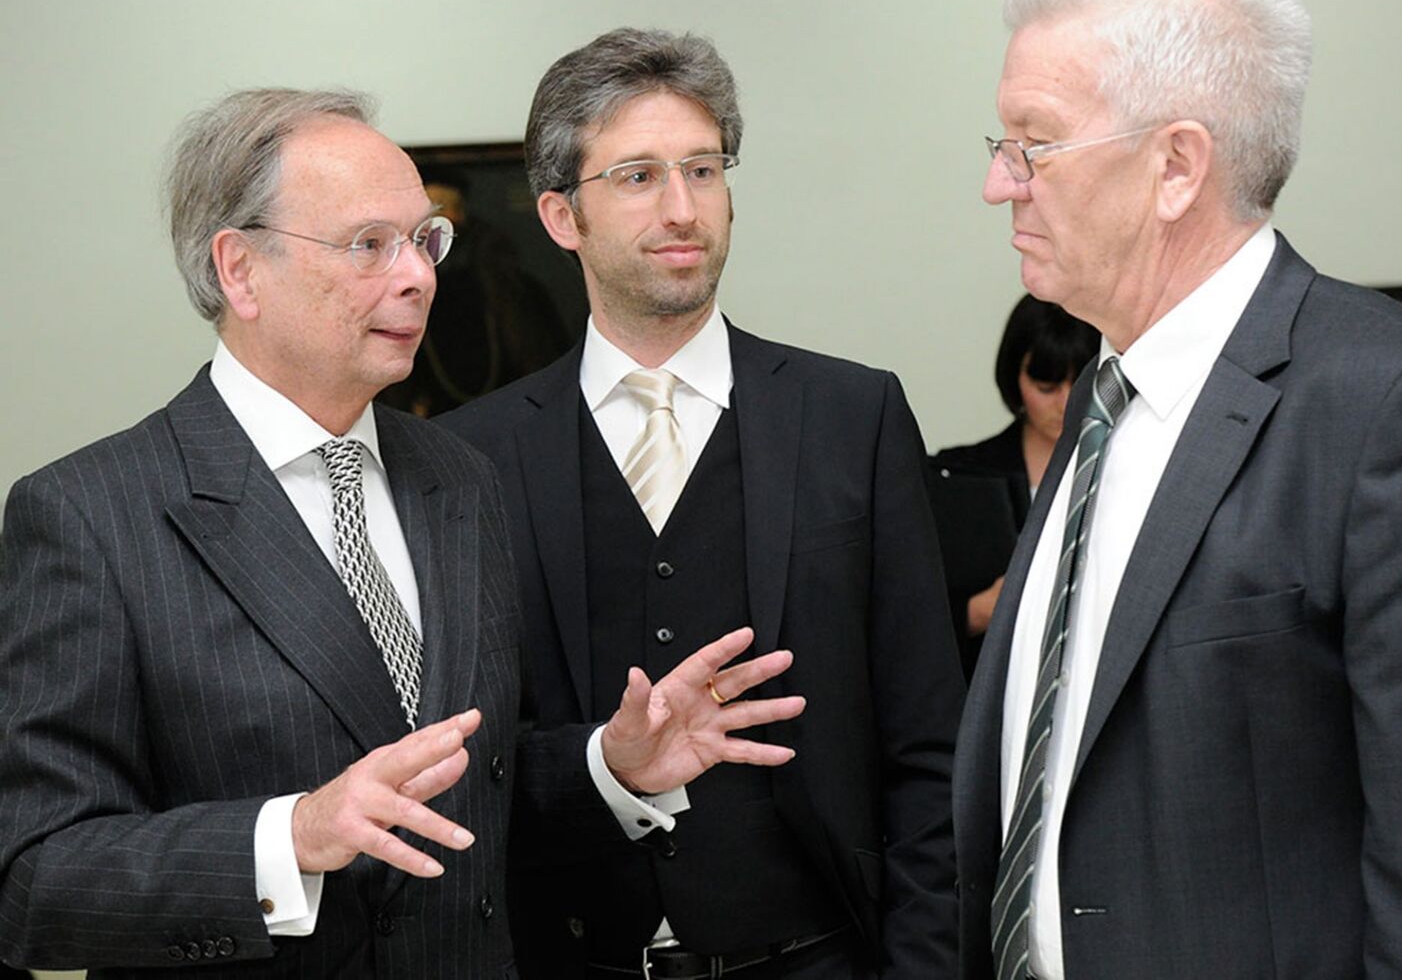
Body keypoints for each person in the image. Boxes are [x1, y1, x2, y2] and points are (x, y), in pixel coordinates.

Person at [0, 88, 802, 979]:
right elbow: (33, 880)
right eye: (369, 244)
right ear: (240, 269)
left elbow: (467, 784)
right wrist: (291, 836)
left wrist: (610, 767)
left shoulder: (458, 476)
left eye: (425, 239)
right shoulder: (89, 515)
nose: (419, 275)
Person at [952, 0, 1402, 979]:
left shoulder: (1385, 403)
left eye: (1034, 145)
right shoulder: (1104, 392)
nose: (999, 183)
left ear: (1175, 166)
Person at [439, 28, 963, 979]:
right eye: (638, 176)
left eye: (703, 170)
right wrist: (605, 766)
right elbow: (467, 762)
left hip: (820, 956)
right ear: (560, 216)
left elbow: (931, 742)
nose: (682, 208)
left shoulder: (854, 416)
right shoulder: (473, 456)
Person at [928, 296, 1097, 678]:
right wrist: (978, 612)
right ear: (1014, 379)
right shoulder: (956, 477)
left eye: (1081, 382)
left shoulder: (1136, 468)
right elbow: (906, 617)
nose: (1066, 402)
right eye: (1046, 385)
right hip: (987, 687)